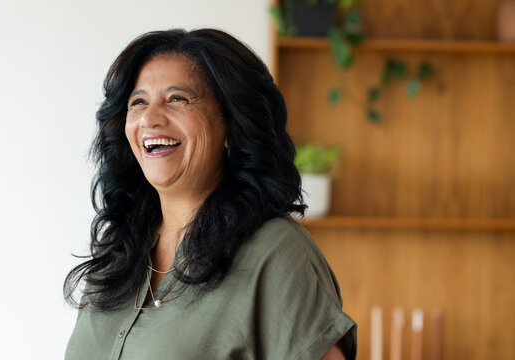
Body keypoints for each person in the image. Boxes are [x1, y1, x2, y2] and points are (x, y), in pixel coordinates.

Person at [64, 28, 357, 360]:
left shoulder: (276, 253)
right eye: (138, 102)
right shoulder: (118, 249)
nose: (149, 118)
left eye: (177, 98)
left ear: (231, 126)